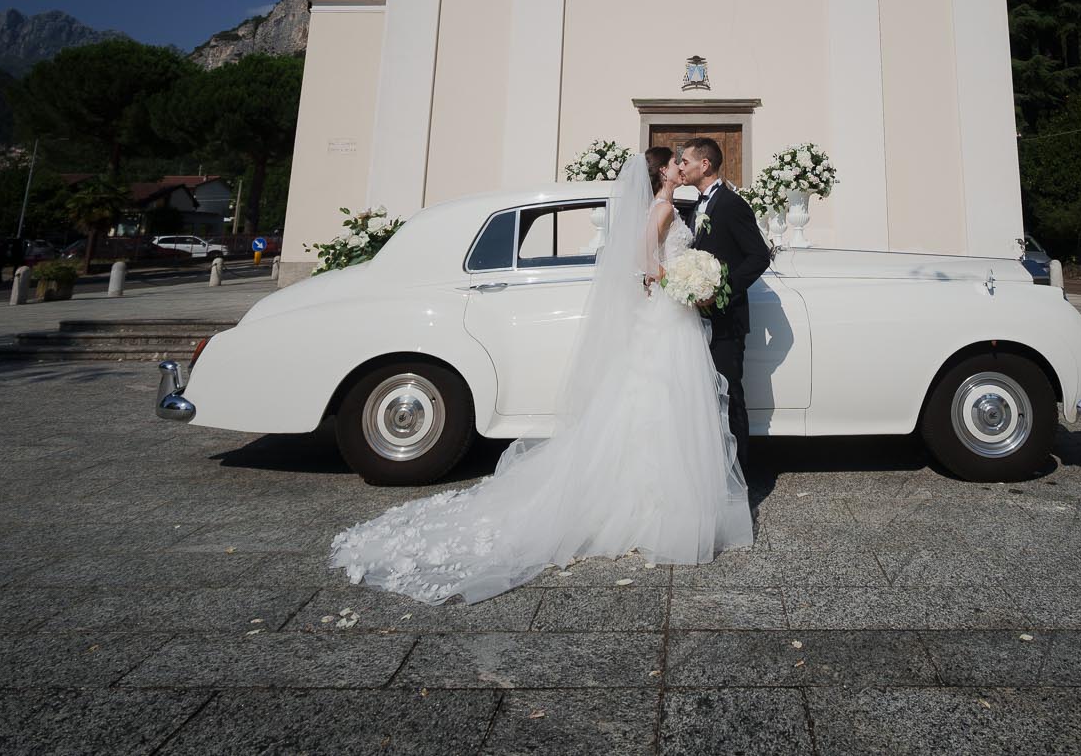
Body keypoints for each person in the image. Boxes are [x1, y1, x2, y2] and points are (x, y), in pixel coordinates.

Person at [329, 149, 752, 603]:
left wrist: (678, 280)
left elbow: (646, 262)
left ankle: (661, 503)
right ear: (664, 173)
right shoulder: (665, 207)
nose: (680, 166)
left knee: (653, 407)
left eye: (684, 160)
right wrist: (684, 285)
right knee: (662, 406)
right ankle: (663, 508)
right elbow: (649, 263)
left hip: (666, 316)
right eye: (675, 163)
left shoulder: (667, 206)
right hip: (670, 314)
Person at [675, 138, 772, 469]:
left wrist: (722, 289)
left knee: (730, 398)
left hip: (726, 320)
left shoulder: (731, 204)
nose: (681, 166)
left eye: (685, 161)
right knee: (707, 399)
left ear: (704, 165)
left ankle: (740, 477)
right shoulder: (698, 204)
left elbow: (759, 256)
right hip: (701, 320)